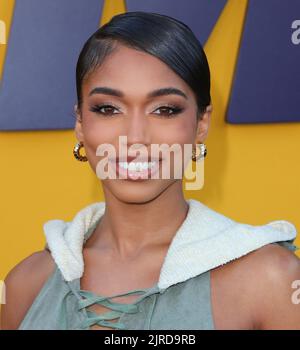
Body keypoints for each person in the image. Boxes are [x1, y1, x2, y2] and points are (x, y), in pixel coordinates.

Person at [1, 11, 300, 330]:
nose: (136, 137)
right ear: (80, 123)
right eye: (108, 109)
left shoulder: (270, 281)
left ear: (201, 124)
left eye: (164, 110)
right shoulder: (26, 286)